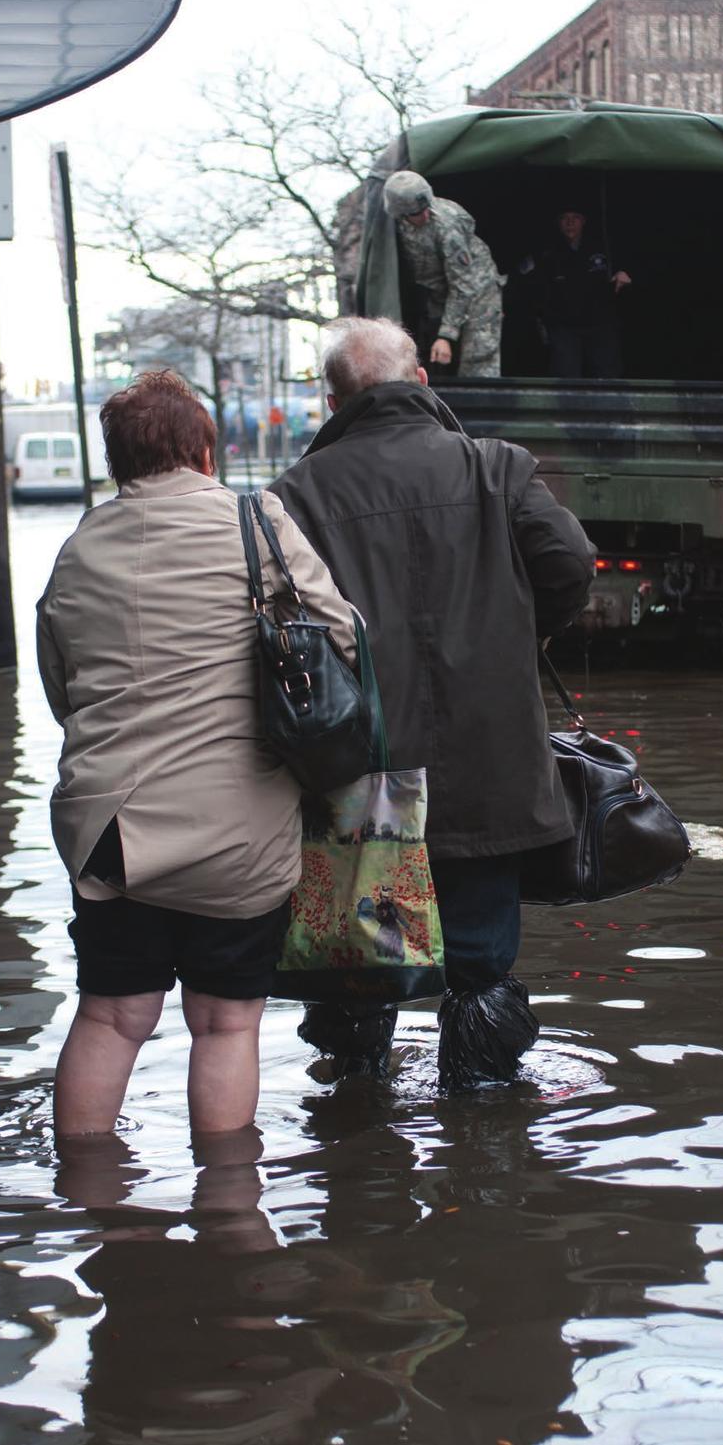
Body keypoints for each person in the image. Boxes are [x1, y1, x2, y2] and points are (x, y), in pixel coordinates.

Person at [270, 317, 595, 1090]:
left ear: (332, 399)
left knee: (355, 965)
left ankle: (356, 1147)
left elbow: (282, 632)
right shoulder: (496, 469)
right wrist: (519, 642)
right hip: (489, 759)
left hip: (360, 768)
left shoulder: (295, 495)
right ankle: (483, 1164)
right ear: (420, 381)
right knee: (482, 965)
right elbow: (571, 566)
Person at [37, 370, 356, 1137]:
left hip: (110, 830)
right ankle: (227, 1210)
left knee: (112, 1017)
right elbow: (340, 637)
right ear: (203, 448)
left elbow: (63, 691)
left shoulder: (79, 547)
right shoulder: (256, 521)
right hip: (237, 833)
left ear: (116, 460)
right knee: (224, 1024)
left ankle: (92, 1203)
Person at [383, 170, 505, 378]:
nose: (425, 215)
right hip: (439, 294)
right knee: (432, 358)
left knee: (478, 359)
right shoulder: (395, 223)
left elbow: (463, 285)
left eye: (426, 208)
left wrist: (446, 335)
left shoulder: (447, 226)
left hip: (477, 292)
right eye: (416, 213)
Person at [535, 207, 631, 379]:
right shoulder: (546, 253)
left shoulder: (604, 246)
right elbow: (528, 286)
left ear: (584, 221)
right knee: (565, 378)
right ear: (558, 223)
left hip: (601, 324)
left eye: (575, 217)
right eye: (564, 218)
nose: (570, 222)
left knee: (608, 377)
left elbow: (628, 268)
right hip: (564, 327)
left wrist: (624, 271)